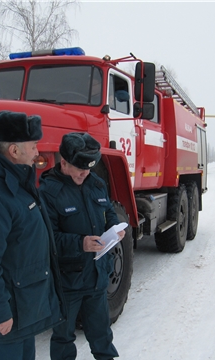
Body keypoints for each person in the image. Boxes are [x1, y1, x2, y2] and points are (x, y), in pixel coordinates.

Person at [0, 110, 66, 360]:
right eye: (34, 146)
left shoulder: (16, 180)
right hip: (6, 316)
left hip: (23, 308)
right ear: (14, 151)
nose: (38, 152)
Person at [38, 132, 125, 360]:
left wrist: (115, 229)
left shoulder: (95, 183)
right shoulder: (48, 191)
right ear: (63, 162)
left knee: (102, 336)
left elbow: (108, 212)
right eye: (80, 168)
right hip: (68, 282)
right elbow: (47, 239)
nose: (85, 173)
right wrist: (81, 243)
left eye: (89, 168)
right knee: (63, 340)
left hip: (97, 278)